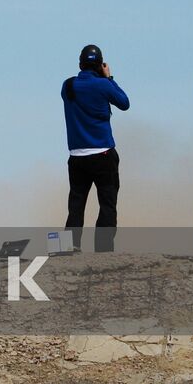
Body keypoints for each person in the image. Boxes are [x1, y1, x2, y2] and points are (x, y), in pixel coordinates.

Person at [61, 44, 130, 252]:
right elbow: (124, 102)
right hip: (103, 153)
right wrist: (108, 77)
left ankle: (69, 247)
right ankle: (103, 249)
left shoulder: (68, 86)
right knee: (107, 203)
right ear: (100, 65)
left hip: (76, 156)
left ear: (80, 63)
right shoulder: (103, 85)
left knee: (76, 203)